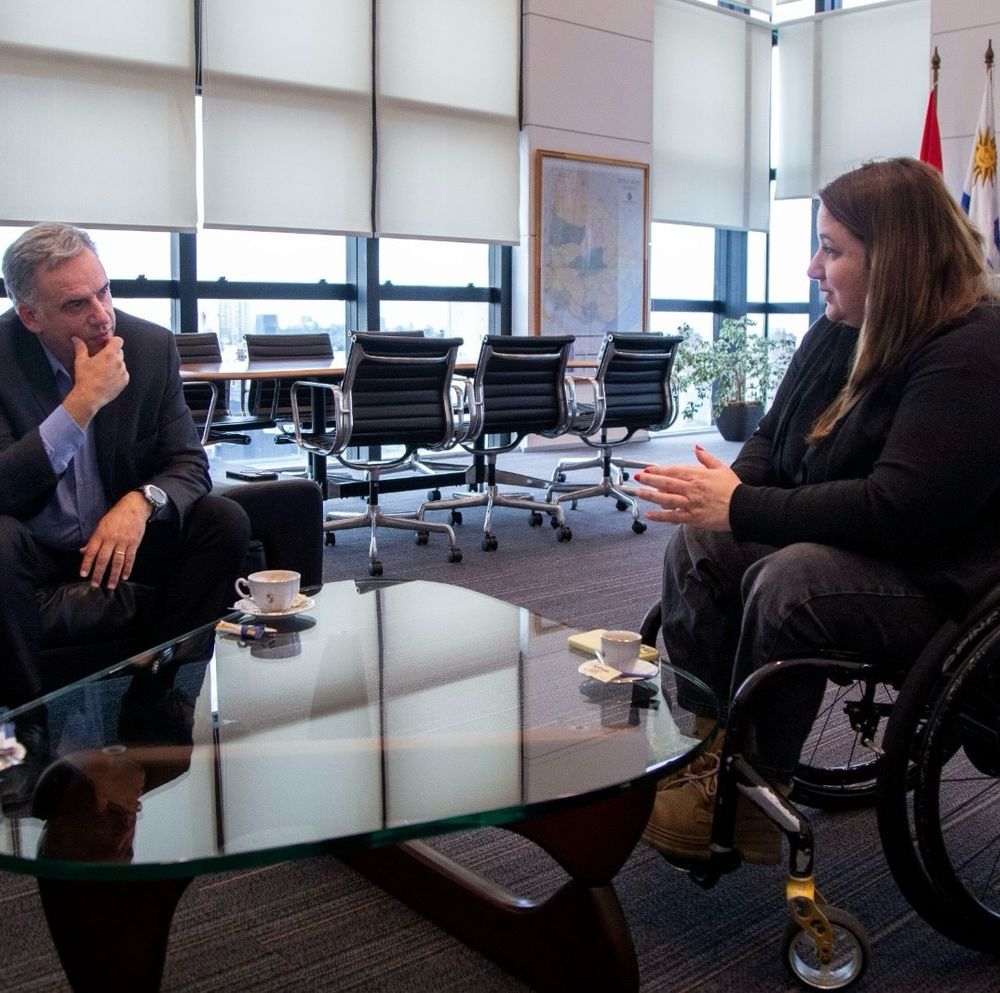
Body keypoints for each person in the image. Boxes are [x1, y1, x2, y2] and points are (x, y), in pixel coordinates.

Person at [632, 157, 1000, 865]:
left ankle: (755, 788)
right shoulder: (839, 328)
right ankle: (706, 753)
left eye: (832, 249)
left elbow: (896, 510)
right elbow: (771, 438)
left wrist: (744, 508)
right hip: (863, 544)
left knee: (791, 581)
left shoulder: (971, 353)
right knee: (699, 547)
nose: (811, 267)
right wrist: (727, 498)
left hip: (942, 579)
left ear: (894, 260)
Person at [0, 223, 251, 716]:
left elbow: (188, 463)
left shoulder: (149, 346)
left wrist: (141, 502)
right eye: (77, 305)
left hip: (123, 544)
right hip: (35, 549)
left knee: (223, 520)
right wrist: (80, 406)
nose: (102, 316)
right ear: (30, 315)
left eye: (104, 291)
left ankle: (155, 688)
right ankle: (26, 719)